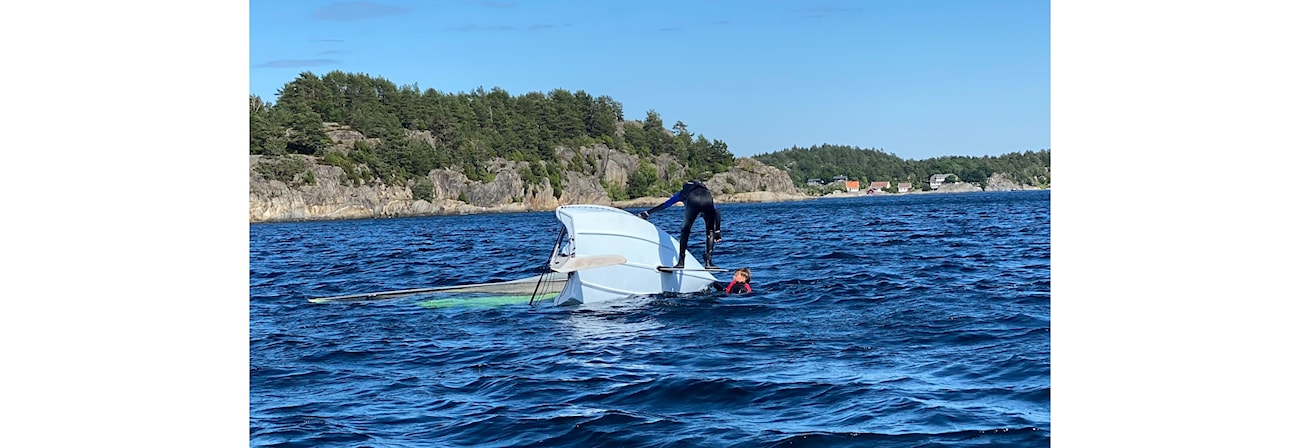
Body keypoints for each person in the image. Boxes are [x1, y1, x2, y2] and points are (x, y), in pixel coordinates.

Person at [638, 180, 721, 268]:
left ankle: (681, 262)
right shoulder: (705, 192)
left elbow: (665, 205)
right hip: (707, 199)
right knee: (710, 232)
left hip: (693, 200)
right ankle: (708, 262)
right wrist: (717, 231)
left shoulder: (682, 193)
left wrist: (647, 213)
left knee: (685, 231)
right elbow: (717, 211)